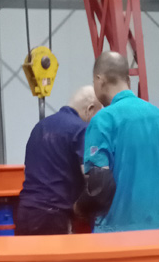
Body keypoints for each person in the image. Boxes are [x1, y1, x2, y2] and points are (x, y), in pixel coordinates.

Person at [75, 51, 159, 232]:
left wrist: (79, 208)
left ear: (99, 80)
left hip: (117, 231)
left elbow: (100, 185)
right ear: (128, 80)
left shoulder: (103, 120)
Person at [16, 86, 101, 235]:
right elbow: (92, 177)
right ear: (90, 109)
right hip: (53, 216)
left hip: (25, 211)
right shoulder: (81, 129)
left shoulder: (40, 127)